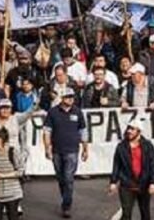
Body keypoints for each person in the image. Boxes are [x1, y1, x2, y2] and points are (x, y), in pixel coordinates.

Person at [42, 88, 88, 218]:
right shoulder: (53, 112)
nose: (70, 99)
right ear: (62, 98)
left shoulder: (78, 112)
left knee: (68, 178)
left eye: (72, 97)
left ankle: (66, 206)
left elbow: (83, 131)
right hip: (57, 150)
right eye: (67, 97)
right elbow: (46, 131)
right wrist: (47, 148)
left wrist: (85, 149)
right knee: (61, 178)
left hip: (72, 150)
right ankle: (66, 199)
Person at [109, 116, 154, 220]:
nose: (129, 131)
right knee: (126, 213)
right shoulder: (121, 146)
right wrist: (113, 182)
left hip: (144, 184)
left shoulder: (147, 146)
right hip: (127, 184)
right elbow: (116, 165)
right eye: (128, 128)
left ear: (139, 131)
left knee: (145, 213)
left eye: (132, 129)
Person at [0, 128, 24, 220]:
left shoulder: (13, 151)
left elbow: (21, 171)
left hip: (12, 194)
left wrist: (3, 175)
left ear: (0, 139)